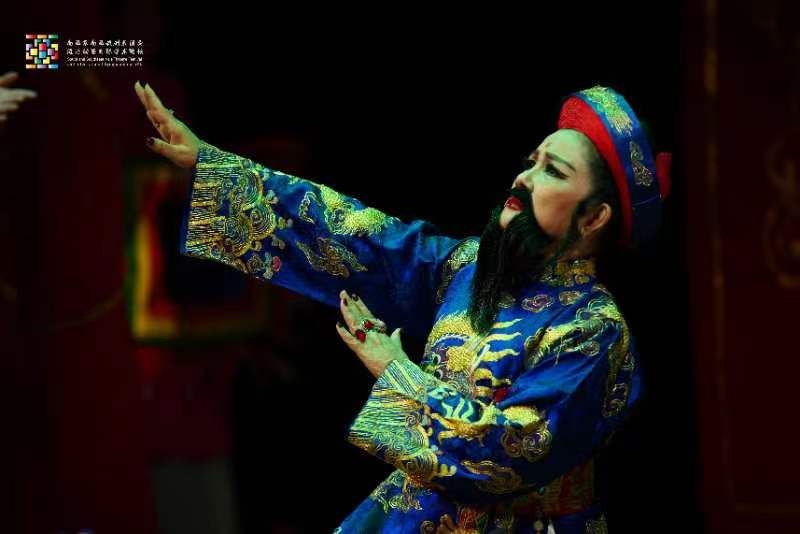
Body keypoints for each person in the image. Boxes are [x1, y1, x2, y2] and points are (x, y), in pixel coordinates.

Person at [134, 81, 671, 533]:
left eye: (552, 171)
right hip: (419, 512)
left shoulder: (594, 330)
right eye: (531, 162)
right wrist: (215, 169)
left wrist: (396, 372)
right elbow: (365, 239)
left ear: (594, 218)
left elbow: (512, 450)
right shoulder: (471, 268)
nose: (523, 178)